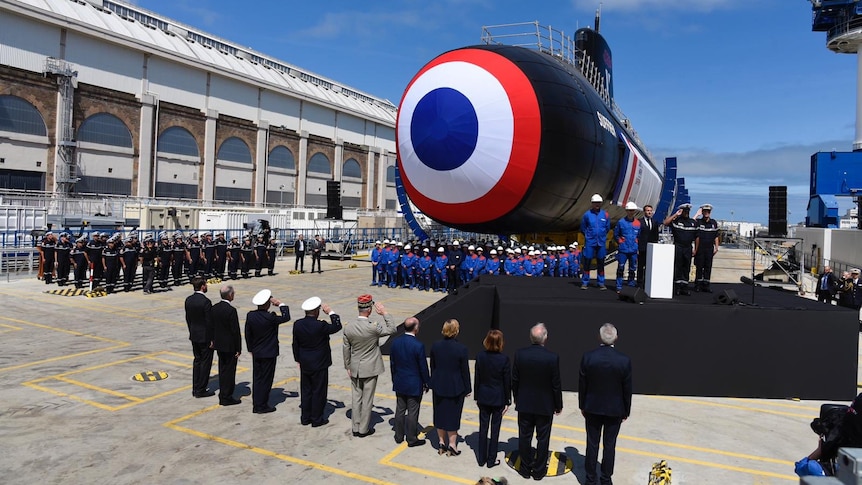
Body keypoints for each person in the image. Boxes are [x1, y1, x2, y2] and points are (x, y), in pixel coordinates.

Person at [579, 323, 633, 485]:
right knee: (610, 445)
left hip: (592, 407)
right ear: (616, 338)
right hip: (614, 409)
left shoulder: (588, 357)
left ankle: (590, 480)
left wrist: (583, 405)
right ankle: (605, 478)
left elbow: (583, 384)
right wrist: (626, 410)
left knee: (592, 443)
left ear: (599, 337)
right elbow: (627, 389)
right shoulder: (624, 361)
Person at [342, 295, 398, 437]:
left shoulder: (349, 327)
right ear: (369, 310)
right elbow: (392, 329)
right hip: (371, 367)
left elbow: (346, 349)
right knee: (367, 400)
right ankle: (363, 429)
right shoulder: (373, 327)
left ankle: (355, 427)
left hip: (355, 367)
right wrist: (384, 312)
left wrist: (348, 366)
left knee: (356, 398)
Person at [512, 323, 562, 480]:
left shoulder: (520, 354)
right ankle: (539, 471)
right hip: (544, 405)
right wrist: (558, 405)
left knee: (524, 437)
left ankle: (525, 469)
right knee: (543, 438)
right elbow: (556, 384)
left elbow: (515, 380)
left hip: (525, 404)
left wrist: (517, 399)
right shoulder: (552, 358)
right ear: (545, 338)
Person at [292, 296, 341, 426]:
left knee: (306, 390)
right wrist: (330, 312)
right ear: (316, 311)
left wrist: (298, 359)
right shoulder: (320, 325)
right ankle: (316, 419)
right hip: (319, 363)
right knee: (318, 391)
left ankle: (305, 417)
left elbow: (295, 344)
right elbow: (337, 326)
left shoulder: (298, 324)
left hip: (305, 362)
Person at [244, 288, 291, 413]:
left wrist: (250, 349)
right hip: (269, 353)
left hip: (257, 352)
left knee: (257, 378)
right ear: (267, 303)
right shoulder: (271, 318)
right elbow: (286, 317)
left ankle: (257, 403)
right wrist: (280, 304)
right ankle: (262, 405)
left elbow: (247, 334)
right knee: (266, 380)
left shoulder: (251, 315)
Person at [430, 319, 471, 456]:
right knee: (453, 415)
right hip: (455, 386)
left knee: (439, 413)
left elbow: (433, 366)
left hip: (439, 384)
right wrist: (468, 388)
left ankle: (441, 442)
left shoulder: (436, 346)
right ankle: (452, 445)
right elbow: (464, 370)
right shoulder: (461, 349)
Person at [389, 317, 430, 447]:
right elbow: (423, 367)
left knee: (400, 409)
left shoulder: (395, 342)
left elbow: (392, 364)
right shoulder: (418, 346)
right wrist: (427, 382)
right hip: (414, 383)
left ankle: (398, 436)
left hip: (400, 381)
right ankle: (411, 438)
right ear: (416, 328)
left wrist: (394, 378)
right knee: (413, 411)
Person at [474, 329, 511, 468]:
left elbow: (477, 378)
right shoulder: (504, 359)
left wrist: (477, 396)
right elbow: (507, 382)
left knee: (483, 428)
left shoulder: (480, 356)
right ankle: (491, 459)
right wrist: (508, 400)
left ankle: (481, 458)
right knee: (495, 430)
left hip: (483, 396)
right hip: (498, 398)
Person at [184, 276, 214, 398]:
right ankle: (201, 389)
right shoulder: (206, 302)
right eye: (205, 284)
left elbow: (188, 318)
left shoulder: (188, 300)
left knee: (197, 361)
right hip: (205, 336)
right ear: (202, 286)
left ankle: (195, 387)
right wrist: (212, 338)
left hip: (194, 334)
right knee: (205, 363)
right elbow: (209, 322)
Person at [213, 285, 242, 406]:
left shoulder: (214, 308)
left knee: (222, 369)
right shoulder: (231, 310)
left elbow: (211, 326)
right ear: (230, 295)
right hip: (230, 346)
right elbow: (235, 331)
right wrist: (238, 348)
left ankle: (223, 393)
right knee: (229, 371)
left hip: (219, 345)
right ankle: (226, 396)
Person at [663, 203, 698, 296]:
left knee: (686, 267)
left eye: (687, 211)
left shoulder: (693, 222)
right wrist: (675, 214)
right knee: (677, 267)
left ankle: (684, 287)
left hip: (688, 247)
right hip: (678, 246)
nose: (686, 212)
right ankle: (677, 287)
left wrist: (695, 249)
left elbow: (697, 237)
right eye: (684, 211)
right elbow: (665, 223)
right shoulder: (676, 221)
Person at [581, 194, 611, 290]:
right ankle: (585, 282)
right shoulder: (587, 215)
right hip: (590, 242)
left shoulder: (605, 215)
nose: (597, 205)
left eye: (598, 203)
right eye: (595, 203)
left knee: (601, 262)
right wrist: (589, 236)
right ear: (592, 203)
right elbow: (583, 227)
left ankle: (601, 282)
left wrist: (601, 235)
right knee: (587, 261)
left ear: (601, 203)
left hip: (601, 242)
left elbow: (607, 227)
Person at [613, 202, 641, 292]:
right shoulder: (621, 222)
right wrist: (620, 242)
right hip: (623, 250)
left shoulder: (637, 223)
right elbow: (616, 234)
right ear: (626, 211)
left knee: (632, 269)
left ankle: (631, 285)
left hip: (633, 250)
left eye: (632, 211)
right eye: (629, 211)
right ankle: (619, 286)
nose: (631, 212)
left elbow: (639, 235)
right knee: (621, 268)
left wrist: (636, 243)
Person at [693, 203, 720, 293]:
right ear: (702, 212)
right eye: (705, 211)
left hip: (709, 249)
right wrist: (697, 214)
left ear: (710, 212)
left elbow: (716, 236)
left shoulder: (713, 223)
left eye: (708, 211)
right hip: (700, 248)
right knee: (699, 267)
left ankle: (706, 285)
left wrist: (716, 247)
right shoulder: (699, 222)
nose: (706, 213)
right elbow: (691, 222)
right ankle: (698, 285)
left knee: (708, 267)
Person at [637, 204, 660, 287]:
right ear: (644, 212)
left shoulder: (654, 222)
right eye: (647, 210)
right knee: (640, 266)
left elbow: (656, 235)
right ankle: (639, 282)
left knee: (649, 266)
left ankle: (647, 282)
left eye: (650, 211)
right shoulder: (639, 222)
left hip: (651, 248)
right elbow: (638, 235)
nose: (649, 212)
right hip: (642, 248)